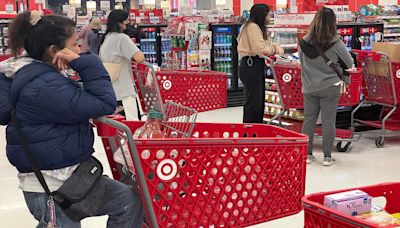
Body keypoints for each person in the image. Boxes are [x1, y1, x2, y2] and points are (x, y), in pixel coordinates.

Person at [0, 11, 144, 227]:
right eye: (75, 44)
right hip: (52, 187)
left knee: (126, 201)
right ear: (54, 51)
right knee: (125, 202)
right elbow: (104, 102)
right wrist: (86, 63)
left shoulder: (36, 75)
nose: (79, 50)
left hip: (66, 177)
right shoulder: (44, 87)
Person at [299, 7, 353, 166]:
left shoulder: (303, 42)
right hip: (330, 86)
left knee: (309, 120)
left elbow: (301, 63)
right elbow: (349, 63)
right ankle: (327, 157)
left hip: (309, 86)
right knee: (329, 121)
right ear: (333, 23)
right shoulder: (336, 42)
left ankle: (307, 155)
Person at [237, 4, 284, 123]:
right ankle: (251, 131)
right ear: (262, 15)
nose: (269, 17)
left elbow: (266, 43)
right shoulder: (253, 27)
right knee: (254, 103)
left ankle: (254, 130)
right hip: (251, 65)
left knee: (256, 101)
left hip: (251, 65)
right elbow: (259, 49)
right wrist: (274, 50)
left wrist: (275, 46)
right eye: (267, 14)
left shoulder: (252, 27)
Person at [100, 9, 145, 120]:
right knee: (132, 121)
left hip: (110, 86)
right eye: (126, 20)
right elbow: (139, 57)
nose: (128, 22)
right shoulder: (122, 38)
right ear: (119, 22)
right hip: (124, 86)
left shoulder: (106, 38)